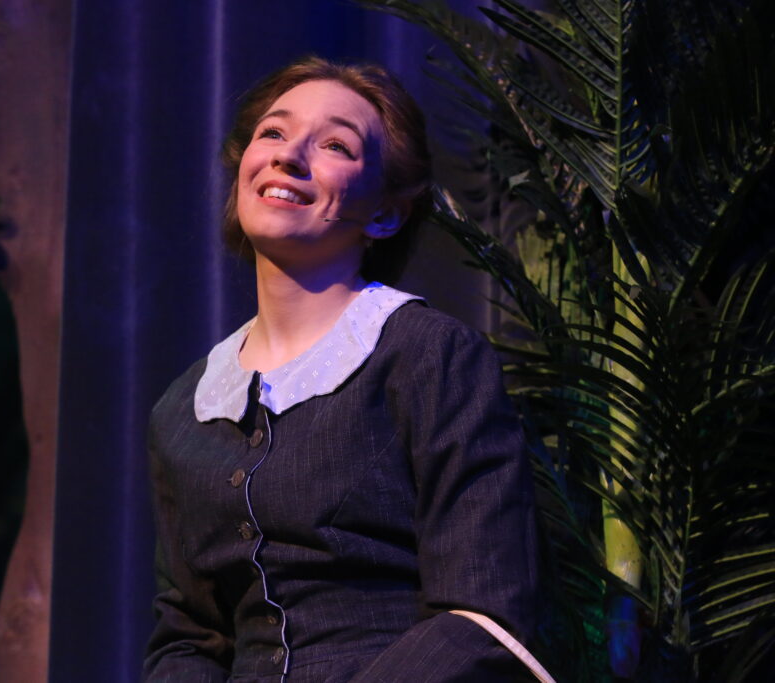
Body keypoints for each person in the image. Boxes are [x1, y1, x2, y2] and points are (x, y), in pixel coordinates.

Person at [142, 56, 540, 682]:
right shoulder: (184, 409)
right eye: (272, 133)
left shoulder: (428, 357)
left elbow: (483, 614)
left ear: (385, 213)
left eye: (334, 145)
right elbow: (189, 637)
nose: (288, 155)